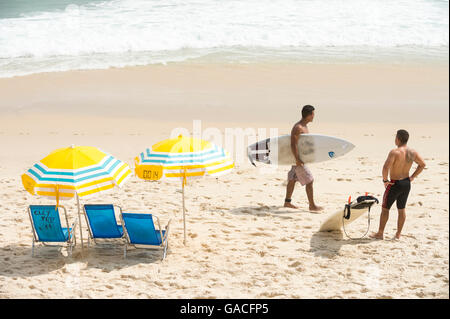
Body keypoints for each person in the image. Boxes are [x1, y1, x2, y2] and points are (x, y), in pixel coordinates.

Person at [370, 129, 426, 240]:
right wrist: (413, 177)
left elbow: (386, 167)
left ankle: (380, 233)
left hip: (394, 183)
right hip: (406, 183)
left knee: (385, 209)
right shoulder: (412, 152)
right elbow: (422, 164)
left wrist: (385, 181)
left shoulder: (395, 152)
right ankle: (398, 234)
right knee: (402, 209)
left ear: (398, 139)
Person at [284, 105, 323, 212]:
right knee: (310, 181)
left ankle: (287, 202)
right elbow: (293, 144)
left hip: (298, 158)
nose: (314, 116)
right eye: (313, 114)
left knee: (292, 180)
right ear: (309, 115)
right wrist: (297, 159)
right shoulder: (298, 128)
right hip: (298, 159)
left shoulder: (304, 126)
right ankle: (312, 206)